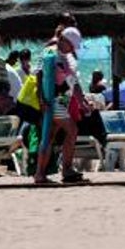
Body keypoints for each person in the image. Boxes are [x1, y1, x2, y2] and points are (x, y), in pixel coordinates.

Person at [35, 15, 86, 185]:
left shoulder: (65, 56)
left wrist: (82, 101)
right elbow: (39, 74)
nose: (72, 49)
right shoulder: (50, 52)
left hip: (60, 100)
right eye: (71, 46)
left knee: (49, 137)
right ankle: (66, 169)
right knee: (72, 130)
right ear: (63, 40)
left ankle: (40, 174)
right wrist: (41, 97)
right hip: (53, 100)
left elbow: (73, 82)